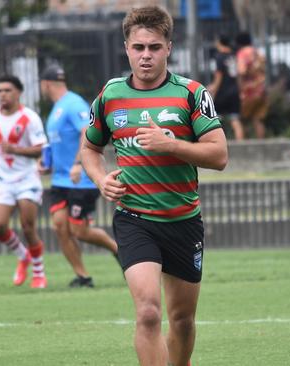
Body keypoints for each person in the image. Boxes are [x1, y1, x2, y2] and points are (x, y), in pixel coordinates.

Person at [78, 6, 227, 365]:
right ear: (126, 47)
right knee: (147, 312)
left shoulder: (191, 93)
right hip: (134, 219)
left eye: (155, 47)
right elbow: (89, 147)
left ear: (169, 48)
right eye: (139, 47)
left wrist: (171, 144)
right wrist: (101, 180)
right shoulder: (111, 95)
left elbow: (219, 155)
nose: (146, 56)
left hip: (182, 220)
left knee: (182, 320)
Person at [38, 64, 120, 288]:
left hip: (80, 180)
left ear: (45, 84)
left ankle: (118, 250)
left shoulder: (73, 104)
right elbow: (59, 142)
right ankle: (83, 276)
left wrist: (77, 164)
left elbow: (87, 132)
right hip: (60, 180)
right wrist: (48, 163)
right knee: (59, 226)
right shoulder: (56, 109)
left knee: (79, 230)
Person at [0, 75, 48, 289]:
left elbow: (41, 149)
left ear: (18, 93)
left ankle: (38, 271)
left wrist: (15, 149)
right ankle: (22, 255)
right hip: (1, 180)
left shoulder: (30, 118)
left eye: (7, 90)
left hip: (26, 178)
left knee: (28, 227)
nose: (2, 95)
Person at [207, 35, 243, 141]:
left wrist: (213, 88)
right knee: (235, 120)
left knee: (217, 120)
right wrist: (239, 90)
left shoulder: (219, 57)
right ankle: (241, 145)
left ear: (220, 43)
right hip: (234, 91)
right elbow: (239, 75)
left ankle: (219, 143)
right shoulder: (234, 55)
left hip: (223, 92)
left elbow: (219, 76)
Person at [235, 31, 268, 139]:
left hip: (249, 90)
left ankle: (242, 145)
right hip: (261, 89)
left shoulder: (242, 53)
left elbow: (242, 71)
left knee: (240, 119)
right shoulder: (257, 52)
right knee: (257, 118)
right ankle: (261, 144)